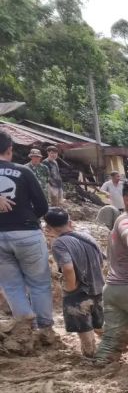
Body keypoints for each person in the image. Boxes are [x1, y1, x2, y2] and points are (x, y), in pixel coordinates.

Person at [0, 130, 55, 340]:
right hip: (27, 233)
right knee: (39, 283)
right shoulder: (24, 171)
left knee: (11, 284)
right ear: (10, 149)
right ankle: (46, 328)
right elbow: (42, 206)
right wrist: (28, 217)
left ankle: (25, 322)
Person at [43, 208, 104, 358]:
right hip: (97, 287)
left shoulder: (59, 243)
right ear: (69, 222)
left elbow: (68, 268)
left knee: (84, 328)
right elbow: (101, 261)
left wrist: (70, 288)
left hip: (79, 292)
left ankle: (90, 357)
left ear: (48, 228)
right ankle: (109, 348)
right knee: (99, 324)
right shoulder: (88, 237)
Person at [94, 182, 128, 363]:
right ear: (127, 200)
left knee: (112, 340)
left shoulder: (121, 220)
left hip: (114, 289)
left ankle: (101, 365)